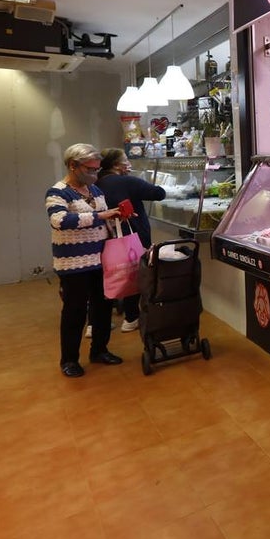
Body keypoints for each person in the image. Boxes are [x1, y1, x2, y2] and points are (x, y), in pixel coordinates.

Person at [47, 143, 125, 377]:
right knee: (75, 310)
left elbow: (101, 220)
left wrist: (115, 218)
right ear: (73, 166)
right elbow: (60, 221)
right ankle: (69, 360)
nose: (94, 174)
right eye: (90, 169)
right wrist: (101, 215)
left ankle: (99, 350)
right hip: (73, 263)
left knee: (102, 307)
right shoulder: (57, 192)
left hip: (101, 259)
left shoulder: (96, 191)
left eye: (97, 170)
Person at [96, 147, 166, 333]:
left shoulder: (96, 182)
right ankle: (131, 318)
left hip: (105, 238)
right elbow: (159, 193)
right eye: (126, 159)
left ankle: (94, 323)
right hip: (132, 236)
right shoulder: (126, 181)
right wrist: (137, 181)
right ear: (117, 165)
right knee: (132, 273)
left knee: (109, 276)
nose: (129, 163)